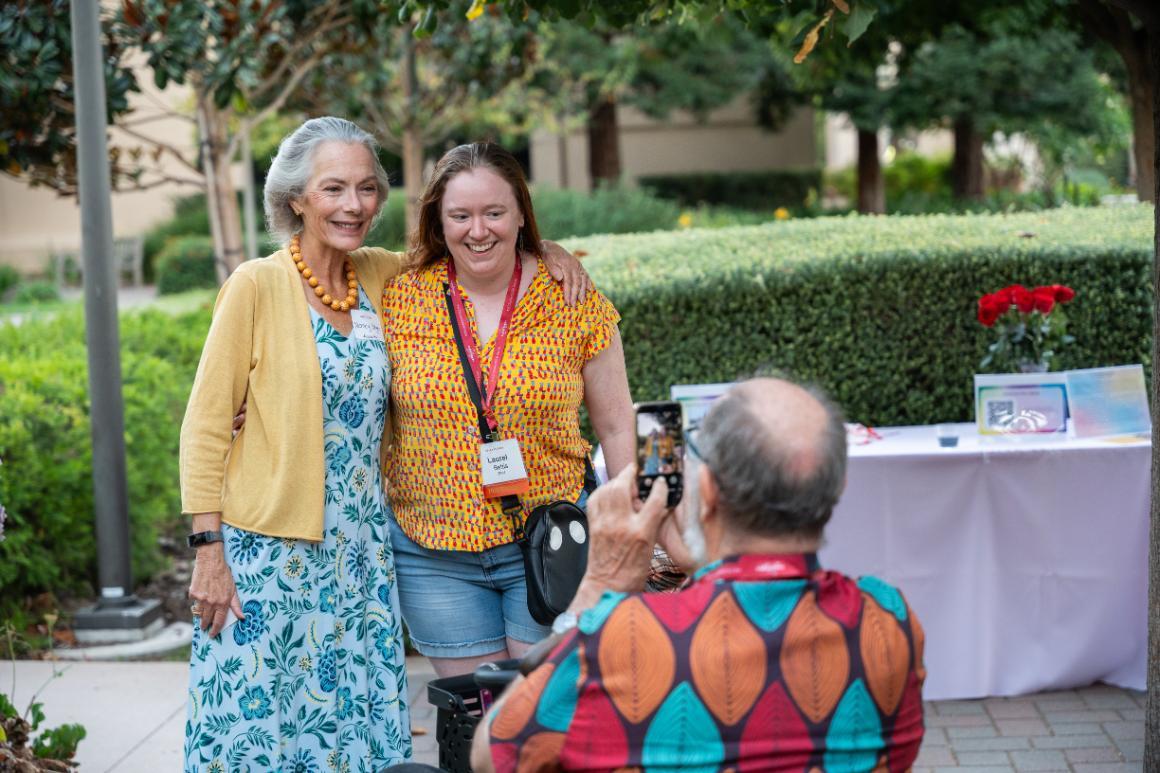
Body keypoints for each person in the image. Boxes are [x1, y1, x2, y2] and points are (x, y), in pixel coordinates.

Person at [179, 118, 588, 772]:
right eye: (334, 188)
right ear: (296, 200)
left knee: (351, 725)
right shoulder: (256, 285)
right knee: (266, 727)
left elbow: (479, 246)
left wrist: (551, 251)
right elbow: (203, 425)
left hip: (363, 551)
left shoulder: (383, 275)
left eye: (368, 188)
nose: (354, 205)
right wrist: (207, 549)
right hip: (272, 555)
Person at [472, 377, 926, 772]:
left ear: (706, 492)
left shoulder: (624, 638)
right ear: (837, 488)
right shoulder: (887, 621)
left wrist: (599, 585)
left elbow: (494, 754)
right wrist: (705, 565)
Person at [381, 142, 636, 679]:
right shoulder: (399, 295)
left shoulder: (571, 297)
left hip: (550, 540)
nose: (479, 230)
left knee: (544, 714)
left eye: (494, 212)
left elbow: (615, 422)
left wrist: (628, 521)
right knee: (481, 723)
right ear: (438, 220)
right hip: (433, 552)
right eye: (461, 215)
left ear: (521, 212)